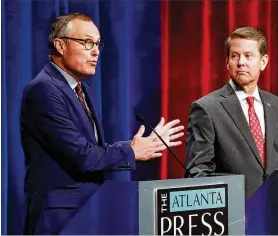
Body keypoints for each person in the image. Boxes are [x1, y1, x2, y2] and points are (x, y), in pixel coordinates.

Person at [20, 13, 184, 234]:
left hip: (88, 212)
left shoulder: (81, 90)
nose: (96, 51)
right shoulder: (44, 90)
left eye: (98, 44)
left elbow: (93, 151)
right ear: (60, 45)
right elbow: (83, 156)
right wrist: (130, 152)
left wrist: (136, 147)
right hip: (59, 219)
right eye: (87, 42)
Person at [185, 26, 278, 199]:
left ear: (263, 62)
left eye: (248, 56)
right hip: (233, 215)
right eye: (234, 56)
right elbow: (198, 172)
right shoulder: (207, 108)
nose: (241, 62)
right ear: (227, 62)